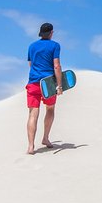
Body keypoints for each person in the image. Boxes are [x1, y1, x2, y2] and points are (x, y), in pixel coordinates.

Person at [25, 22, 63, 154]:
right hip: (48, 84)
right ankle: (45, 138)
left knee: (33, 114)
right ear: (51, 33)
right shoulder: (55, 45)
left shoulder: (32, 46)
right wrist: (59, 86)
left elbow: (31, 64)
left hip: (33, 83)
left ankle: (30, 146)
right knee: (50, 109)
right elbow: (56, 66)